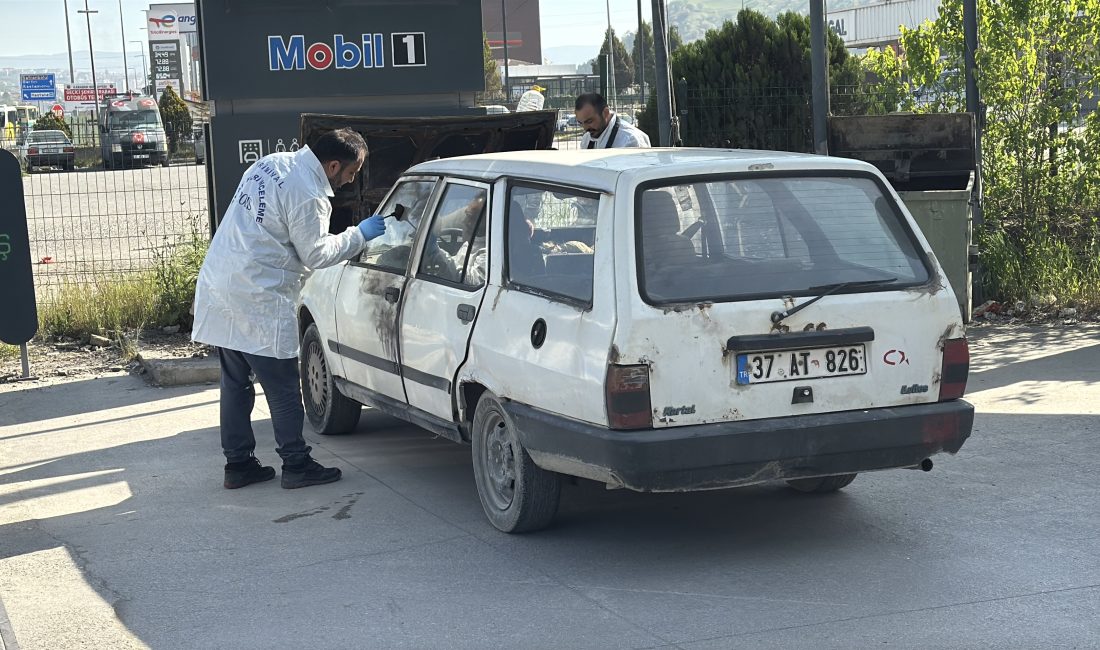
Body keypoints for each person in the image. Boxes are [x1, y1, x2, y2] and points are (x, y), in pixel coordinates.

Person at [191, 128, 387, 490]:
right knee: (282, 388)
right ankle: (296, 464)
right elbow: (316, 253)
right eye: (351, 172)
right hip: (258, 297)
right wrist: (360, 234)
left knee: (235, 384)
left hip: (223, 284)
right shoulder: (309, 193)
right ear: (332, 165)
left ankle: (238, 465)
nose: (350, 181)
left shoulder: (271, 164)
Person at [575, 92, 651, 149]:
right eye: (580, 123)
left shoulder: (631, 140)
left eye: (589, 121)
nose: (585, 128)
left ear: (605, 113)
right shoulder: (587, 139)